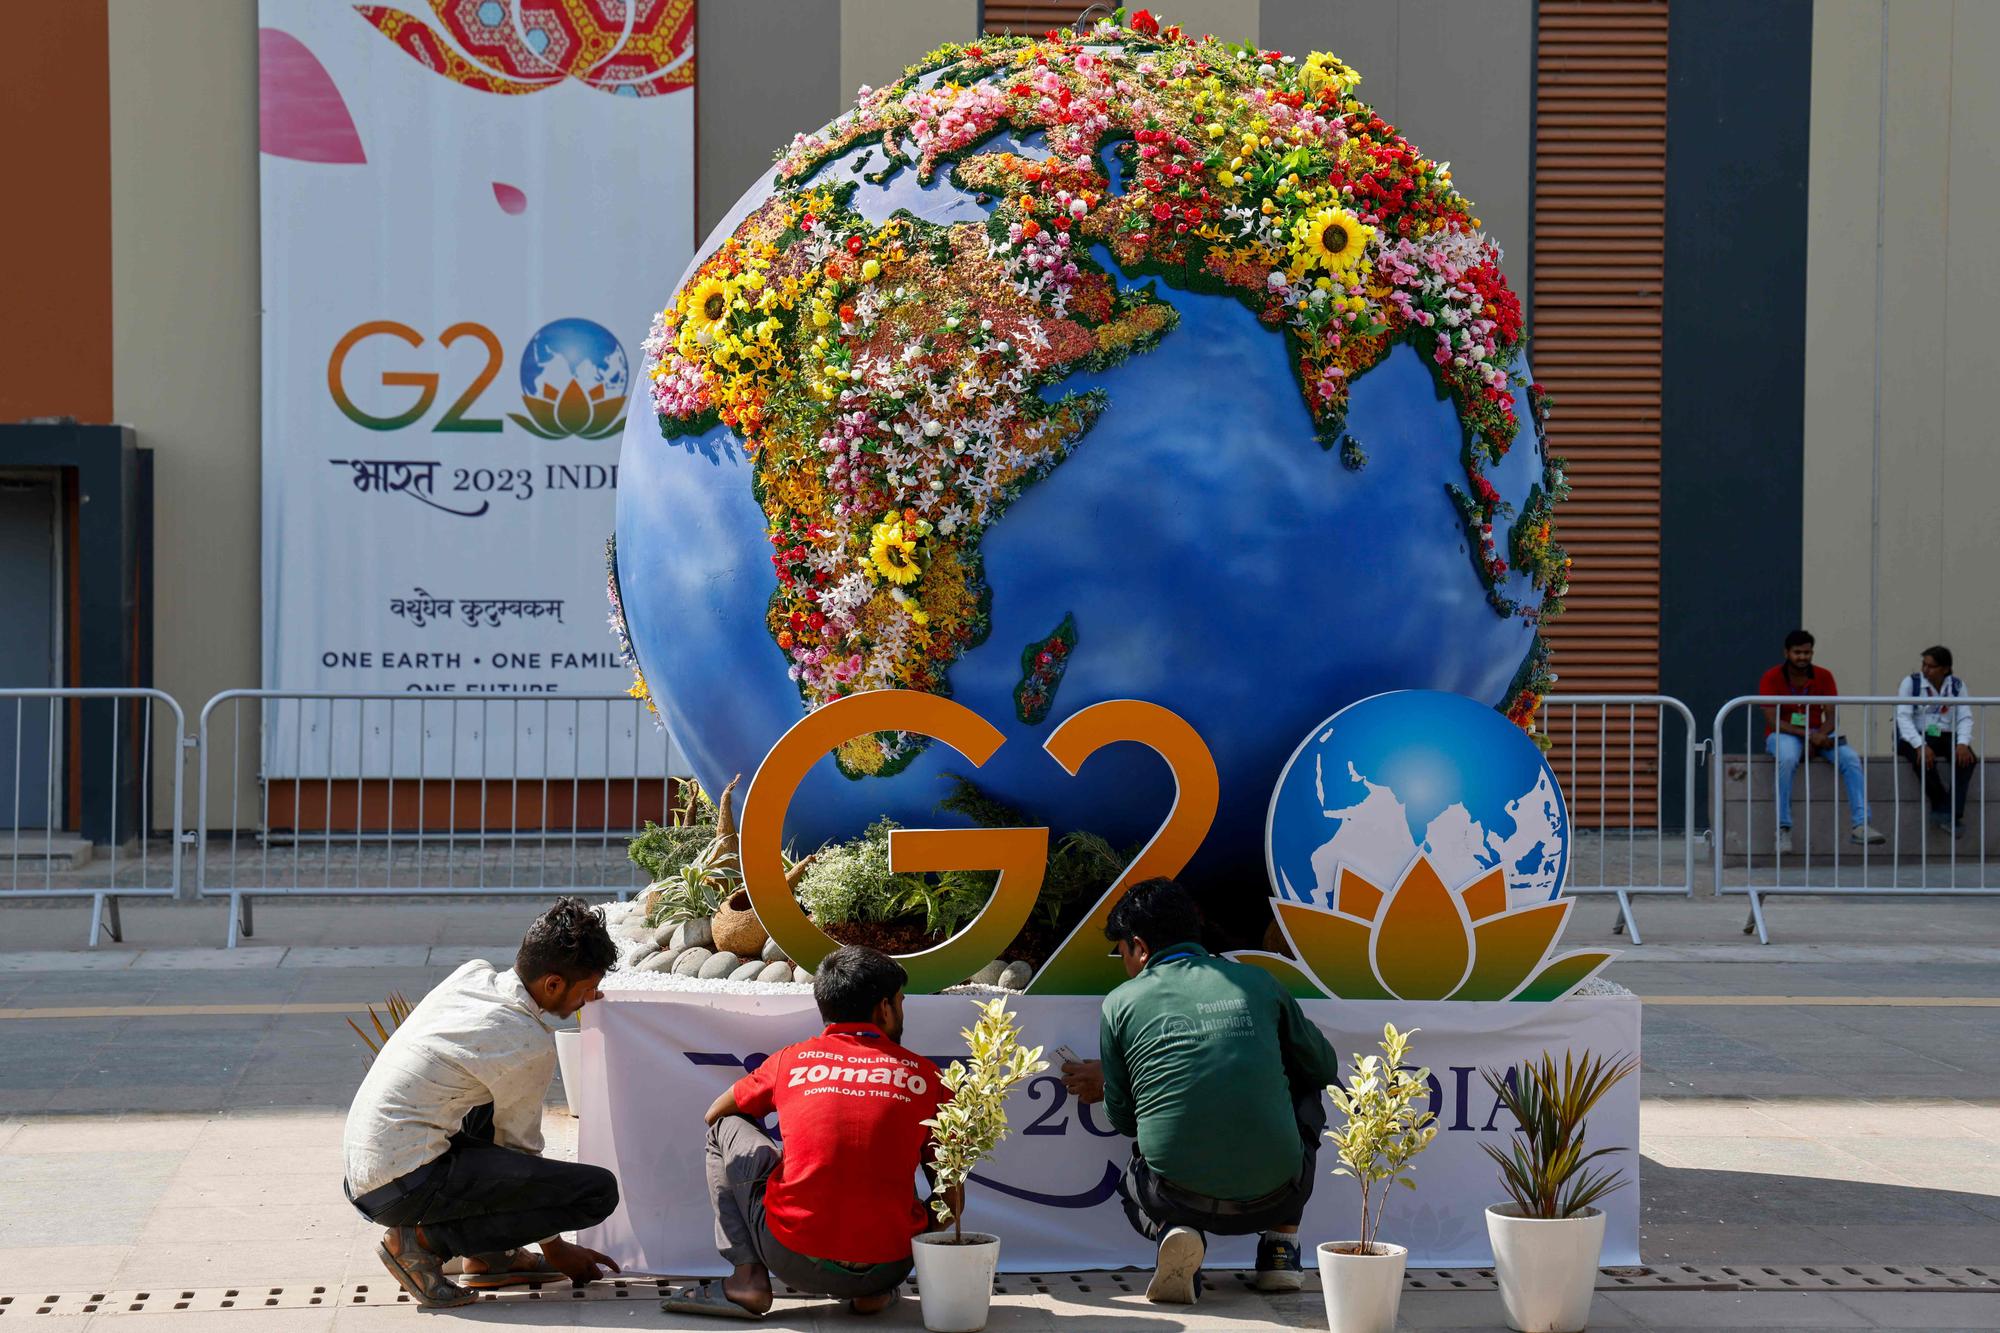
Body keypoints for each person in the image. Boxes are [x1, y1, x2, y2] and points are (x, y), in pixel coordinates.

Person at [1060, 878, 1339, 1304]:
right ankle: (1281, 1250)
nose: (1125, 965)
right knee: (1305, 1083)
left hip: (1176, 1197)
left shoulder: (1120, 1002)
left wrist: (1116, 1079)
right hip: (1280, 1195)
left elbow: (1126, 1121)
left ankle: (1175, 1234)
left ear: (1140, 948)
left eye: (1122, 954)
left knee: (1139, 1170)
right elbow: (1324, 1066)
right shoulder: (1259, 983)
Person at [341, 896, 623, 1308]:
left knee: (490, 1097)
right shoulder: (526, 1041)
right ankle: (419, 1244)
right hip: (403, 1183)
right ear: (553, 985)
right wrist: (556, 1247)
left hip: (368, 1171)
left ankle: (491, 1257)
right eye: (586, 990)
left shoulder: (473, 975)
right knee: (596, 1192)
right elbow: (521, 1156)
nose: (590, 998)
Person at [670, 946, 954, 1320]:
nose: (902, 1012)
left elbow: (715, 1113)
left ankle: (748, 1278)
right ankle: (872, 1291)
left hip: (790, 1257)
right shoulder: (927, 1077)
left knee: (724, 1130)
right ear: (884, 1009)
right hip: (892, 1264)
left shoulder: (790, 1060)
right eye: (901, 1002)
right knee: (910, 1177)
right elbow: (951, 1198)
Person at [1758, 629, 1885, 853]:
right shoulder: (1771, 676)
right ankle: (1783, 827)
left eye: (1807, 653)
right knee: (1787, 758)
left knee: (1851, 759)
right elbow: (1772, 720)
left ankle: (1861, 825)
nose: (1802, 657)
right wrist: (1809, 736)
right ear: (1786, 653)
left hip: (1820, 734)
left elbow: (1832, 717)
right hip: (1784, 734)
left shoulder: (1824, 676)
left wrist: (1819, 736)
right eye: (1797, 652)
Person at [1896, 645, 1979, 835]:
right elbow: (1903, 717)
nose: (1925, 670)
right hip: (1912, 735)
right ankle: (1945, 811)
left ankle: (1949, 813)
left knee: (1968, 760)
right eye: (1923, 664)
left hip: (1942, 734)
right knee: (1924, 761)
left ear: (1945, 669)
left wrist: (1962, 743)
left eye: (1931, 666)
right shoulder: (1911, 683)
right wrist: (1920, 745)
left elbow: (1965, 716)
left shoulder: (1957, 686)